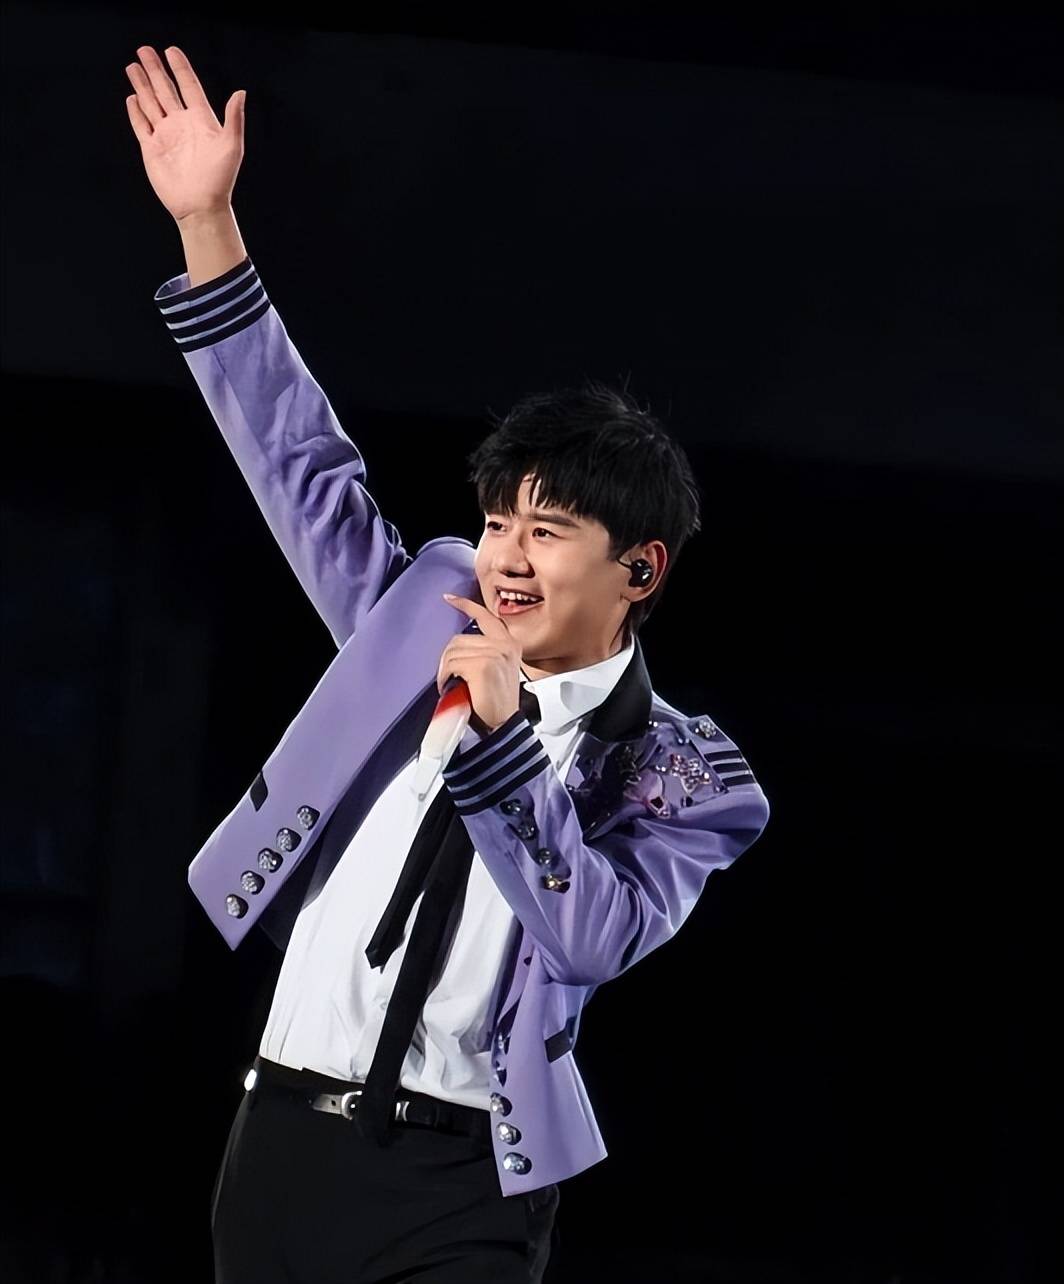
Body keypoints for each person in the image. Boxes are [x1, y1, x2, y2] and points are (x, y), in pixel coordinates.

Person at [125, 44, 771, 1284]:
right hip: (276, 1145)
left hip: (463, 1181)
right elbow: (300, 467)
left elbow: (591, 933)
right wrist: (208, 225)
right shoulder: (422, 616)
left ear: (640, 569)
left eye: (548, 531)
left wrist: (504, 744)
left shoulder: (688, 773)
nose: (506, 557)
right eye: (496, 521)